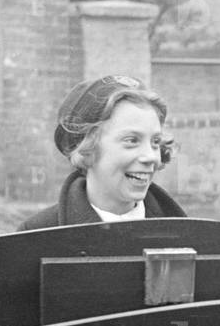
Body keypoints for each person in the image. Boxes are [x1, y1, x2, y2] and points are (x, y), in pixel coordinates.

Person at [18, 75, 186, 230]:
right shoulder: (37, 236)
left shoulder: (185, 233)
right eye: (132, 140)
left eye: (155, 142)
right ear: (87, 148)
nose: (151, 157)